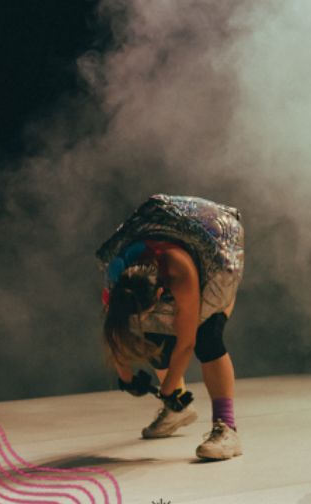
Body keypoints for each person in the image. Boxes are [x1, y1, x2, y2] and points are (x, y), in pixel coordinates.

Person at [96, 194, 245, 461]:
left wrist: (167, 389)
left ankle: (227, 428)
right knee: (156, 338)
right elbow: (114, 331)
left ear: (162, 292)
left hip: (217, 252)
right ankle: (178, 411)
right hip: (155, 259)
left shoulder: (179, 269)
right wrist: (126, 378)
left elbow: (186, 343)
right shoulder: (117, 278)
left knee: (207, 337)